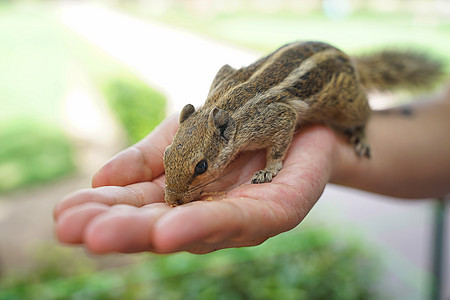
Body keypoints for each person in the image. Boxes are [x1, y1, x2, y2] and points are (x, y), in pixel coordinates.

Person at [53, 84, 450, 254]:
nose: (178, 193)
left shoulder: (253, 127)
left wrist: (276, 161)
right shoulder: (214, 121)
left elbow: (280, 116)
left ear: (226, 137)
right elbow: (226, 70)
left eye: (200, 168)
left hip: (320, 81)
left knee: (348, 107)